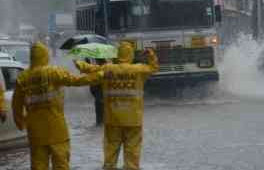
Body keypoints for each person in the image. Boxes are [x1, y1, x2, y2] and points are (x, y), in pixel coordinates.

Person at [12, 42, 104, 170]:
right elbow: (78, 81)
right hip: (57, 130)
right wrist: (99, 76)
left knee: (38, 166)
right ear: (46, 55)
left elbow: (16, 105)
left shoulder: (23, 77)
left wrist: (20, 122)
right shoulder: (54, 72)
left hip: (36, 132)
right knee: (61, 165)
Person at [74, 41, 159, 170]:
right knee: (132, 153)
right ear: (130, 55)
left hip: (112, 119)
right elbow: (153, 67)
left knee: (111, 152)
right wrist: (151, 55)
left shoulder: (108, 69)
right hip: (133, 119)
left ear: (117, 54)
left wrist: (79, 63)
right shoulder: (138, 69)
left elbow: (91, 69)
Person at [89, 58, 107, 126]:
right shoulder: (110, 69)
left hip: (99, 99)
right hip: (108, 99)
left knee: (99, 121)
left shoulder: (96, 71)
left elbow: (92, 87)